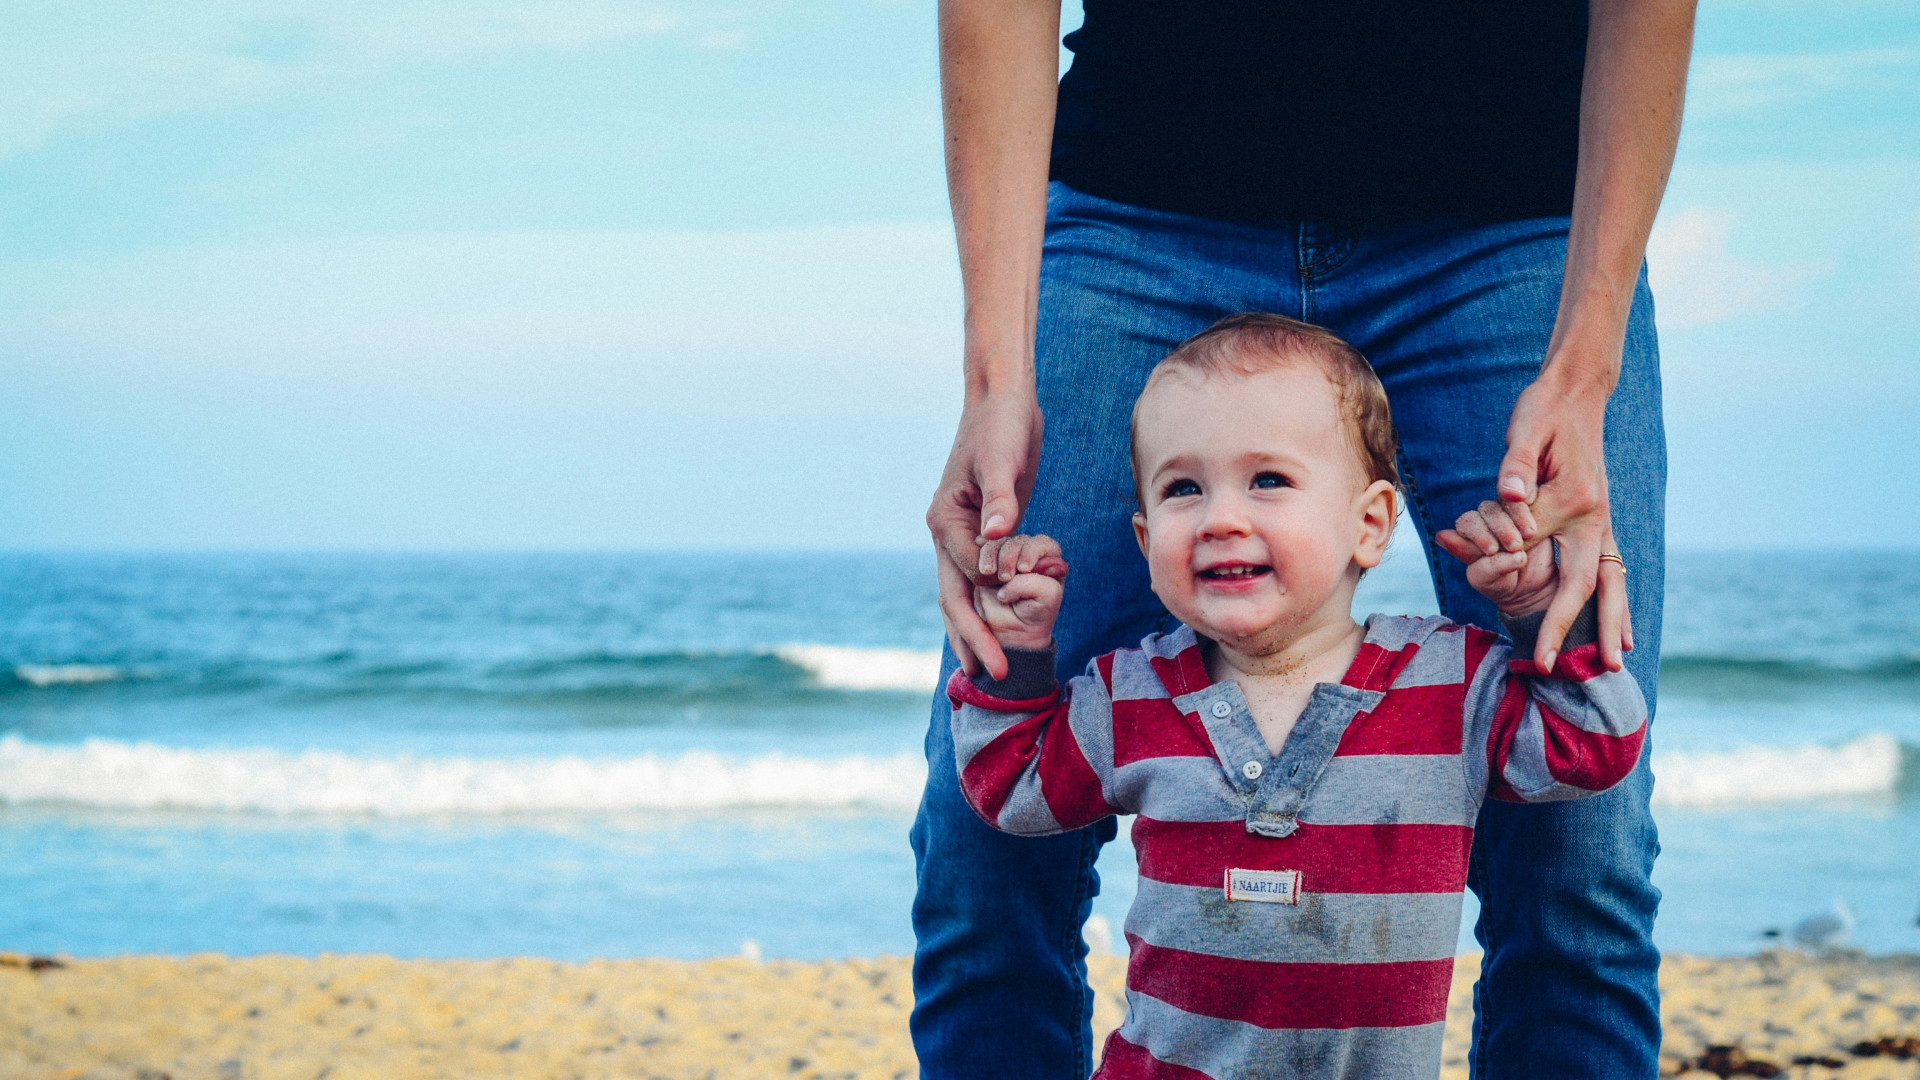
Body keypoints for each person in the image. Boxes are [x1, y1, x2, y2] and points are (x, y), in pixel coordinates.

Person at [913, 0, 1695, 1076]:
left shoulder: (1445, 691)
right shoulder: (1122, 711)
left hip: (1515, 222)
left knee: (1581, 861)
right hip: (1137, 210)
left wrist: (1585, 364)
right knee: (980, 857)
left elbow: (1591, 735)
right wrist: (998, 379)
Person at [946, 314, 1648, 1079]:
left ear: (1371, 525)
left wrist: (1546, 614)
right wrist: (1018, 657)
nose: (1220, 518)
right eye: (1184, 488)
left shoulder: (1450, 684)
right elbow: (1010, 787)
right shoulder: (1128, 695)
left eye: (1269, 480)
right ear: (1146, 543)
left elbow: (1594, 746)